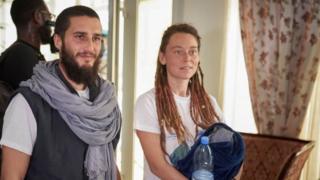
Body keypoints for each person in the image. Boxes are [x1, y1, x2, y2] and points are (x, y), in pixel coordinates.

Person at [0, 5, 122, 180]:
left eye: (96, 38)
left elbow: (109, 161)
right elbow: (11, 176)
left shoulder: (106, 101)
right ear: (58, 41)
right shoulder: (27, 103)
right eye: (80, 37)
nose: (90, 47)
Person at [134, 23, 243, 180]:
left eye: (193, 52)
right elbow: (157, 166)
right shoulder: (148, 103)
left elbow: (232, 150)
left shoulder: (210, 103)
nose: (187, 58)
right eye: (178, 51)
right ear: (162, 57)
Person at [0, 0, 54, 90]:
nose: (51, 23)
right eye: (49, 16)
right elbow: (49, 97)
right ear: (38, 16)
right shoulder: (22, 54)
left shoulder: (21, 52)